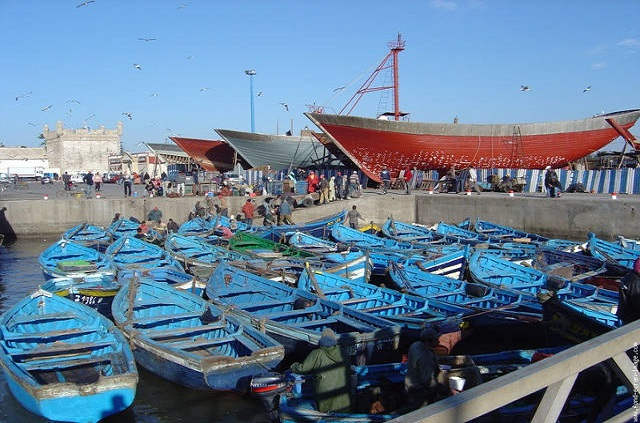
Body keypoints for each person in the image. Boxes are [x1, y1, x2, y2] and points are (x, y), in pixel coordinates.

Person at [289, 328, 351, 414]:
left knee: (325, 411)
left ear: (321, 340)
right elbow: (349, 369)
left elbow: (303, 369)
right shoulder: (343, 352)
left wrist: (293, 366)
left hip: (324, 391)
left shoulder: (317, 353)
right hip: (342, 392)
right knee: (341, 409)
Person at [405, 327, 444, 410]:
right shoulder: (425, 357)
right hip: (418, 390)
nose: (438, 342)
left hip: (409, 385)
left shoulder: (415, 345)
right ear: (428, 341)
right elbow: (428, 381)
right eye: (436, 339)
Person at [618, 257, 640, 325]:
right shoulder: (636, 282)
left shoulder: (629, 276)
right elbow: (637, 302)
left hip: (626, 315)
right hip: (633, 318)